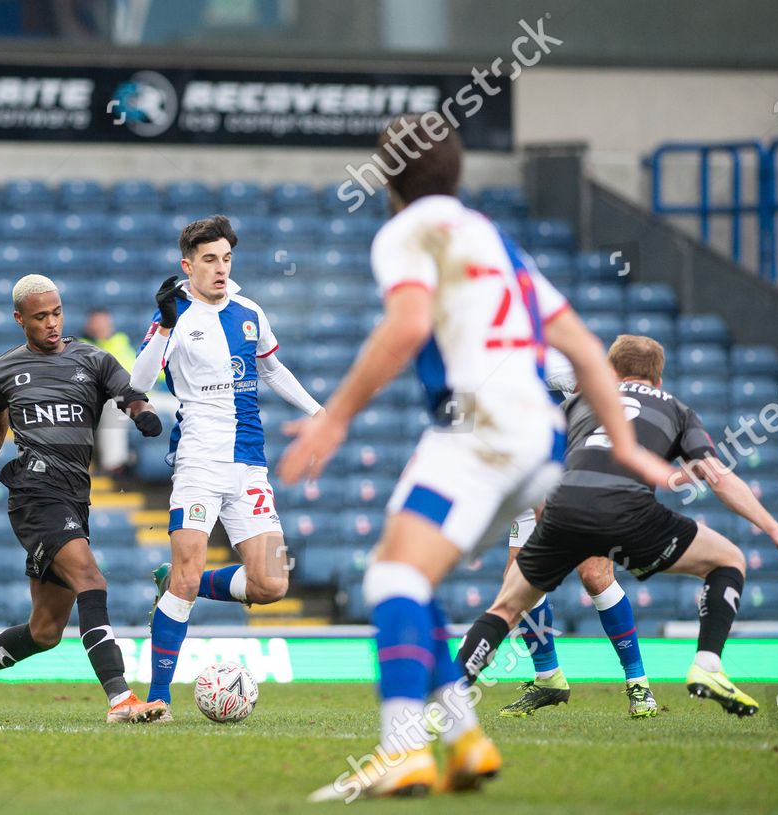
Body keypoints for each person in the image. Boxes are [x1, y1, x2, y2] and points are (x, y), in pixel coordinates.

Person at [279, 114, 679, 800]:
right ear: (458, 172)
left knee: (389, 583)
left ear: (388, 178)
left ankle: (402, 750)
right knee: (408, 577)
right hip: (537, 443)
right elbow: (586, 350)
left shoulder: (407, 232)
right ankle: (464, 740)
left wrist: (334, 417)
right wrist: (630, 451)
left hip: (477, 427)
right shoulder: (496, 240)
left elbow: (406, 324)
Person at [455, 335, 778, 719]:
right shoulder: (676, 408)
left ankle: (447, 692)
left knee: (548, 590)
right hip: (599, 495)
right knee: (727, 560)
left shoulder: (561, 375)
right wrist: (776, 530)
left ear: (610, 371)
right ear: (659, 379)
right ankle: (695, 666)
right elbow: (717, 475)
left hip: (561, 488)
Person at [0, 274, 168, 724]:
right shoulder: (2, 368)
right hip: (35, 495)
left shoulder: (93, 358)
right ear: (20, 319)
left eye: (57, 313)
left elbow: (128, 392)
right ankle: (120, 699)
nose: (52, 324)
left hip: (74, 497)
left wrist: (144, 414)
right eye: (41, 317)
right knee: (91, 580)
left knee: (44, 631)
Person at [127, 215, 322, 716]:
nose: (219, 268)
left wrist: (323, 415)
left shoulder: (249, 310)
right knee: (187, 581)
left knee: (272, 584)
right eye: (209, 260)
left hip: (249, 463)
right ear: (187, 265)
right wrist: (166, 326)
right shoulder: (176, 315)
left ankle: (173, 579)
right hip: (198, 460)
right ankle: (158, 698)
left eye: (226, 259)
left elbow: (273, 370)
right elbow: (138, 383)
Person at [497, 348, 658, 720]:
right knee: (517, 582)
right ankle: (548, 678)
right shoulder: (470, 362)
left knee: (594, 574)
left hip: (576, 470)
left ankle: (639, 685)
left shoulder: (542, 355)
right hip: (524, 472)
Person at [81, 308, 139, 474]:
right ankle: (114, 465)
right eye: (97, 323)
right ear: (89, 325)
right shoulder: (81, 346)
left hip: (139, 394)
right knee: (115, 406)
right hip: (109, 399)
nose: (101, 326)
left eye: (104, 322)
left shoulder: (122, 342)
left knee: (177, 404)